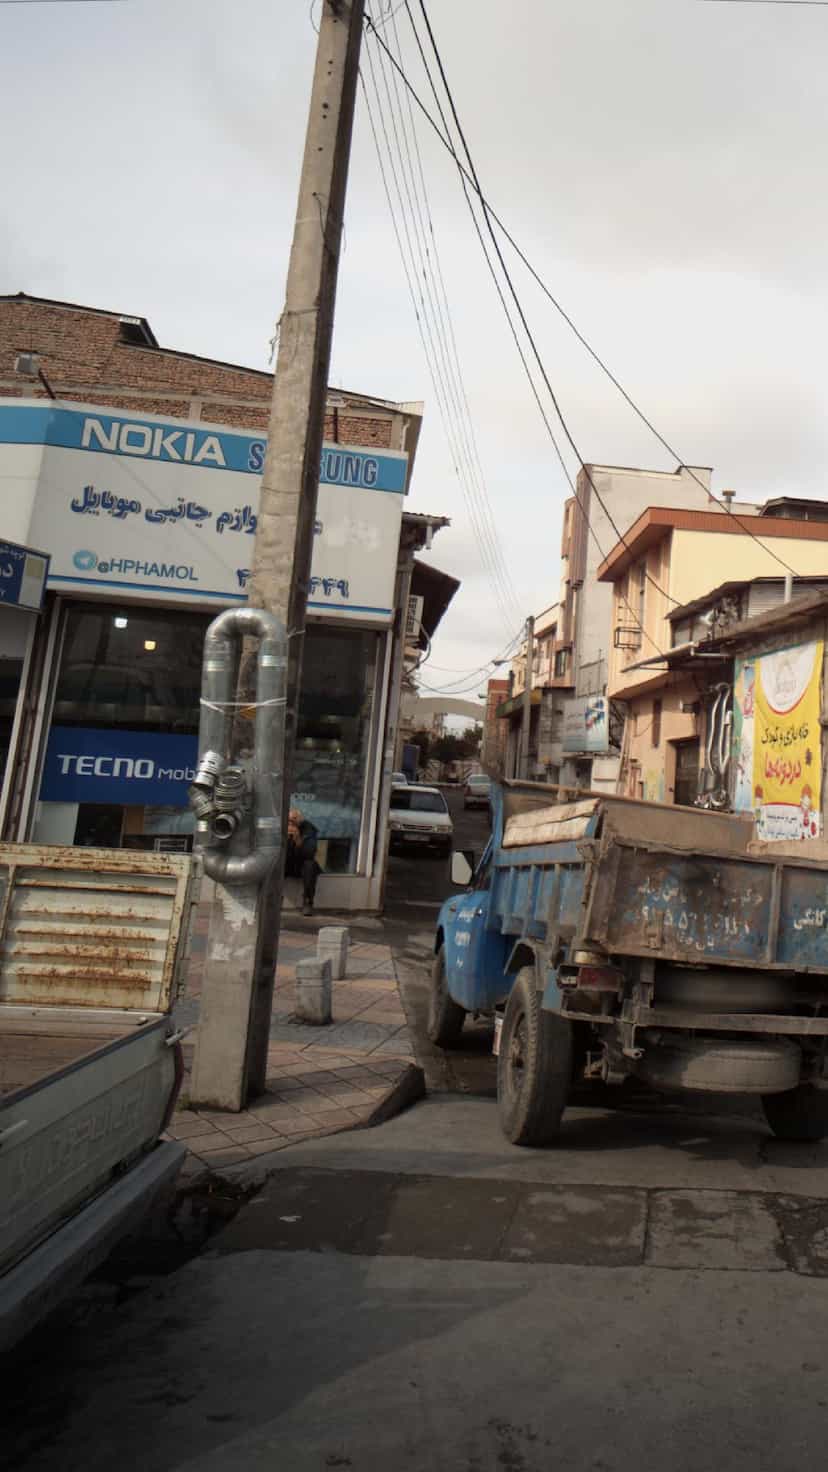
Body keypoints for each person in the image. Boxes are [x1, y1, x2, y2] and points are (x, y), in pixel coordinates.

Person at [285, 806, 320, 916]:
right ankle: (272, 898)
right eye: (289, 820)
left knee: (310, 865)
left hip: (301, 864)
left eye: (294, 819)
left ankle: (307, 902)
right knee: (273, 862)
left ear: (300, 820)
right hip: (286, 863)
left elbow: (310, 853)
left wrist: (298, 839)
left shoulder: (308, 829)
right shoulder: (281, 827)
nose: (292, 823)